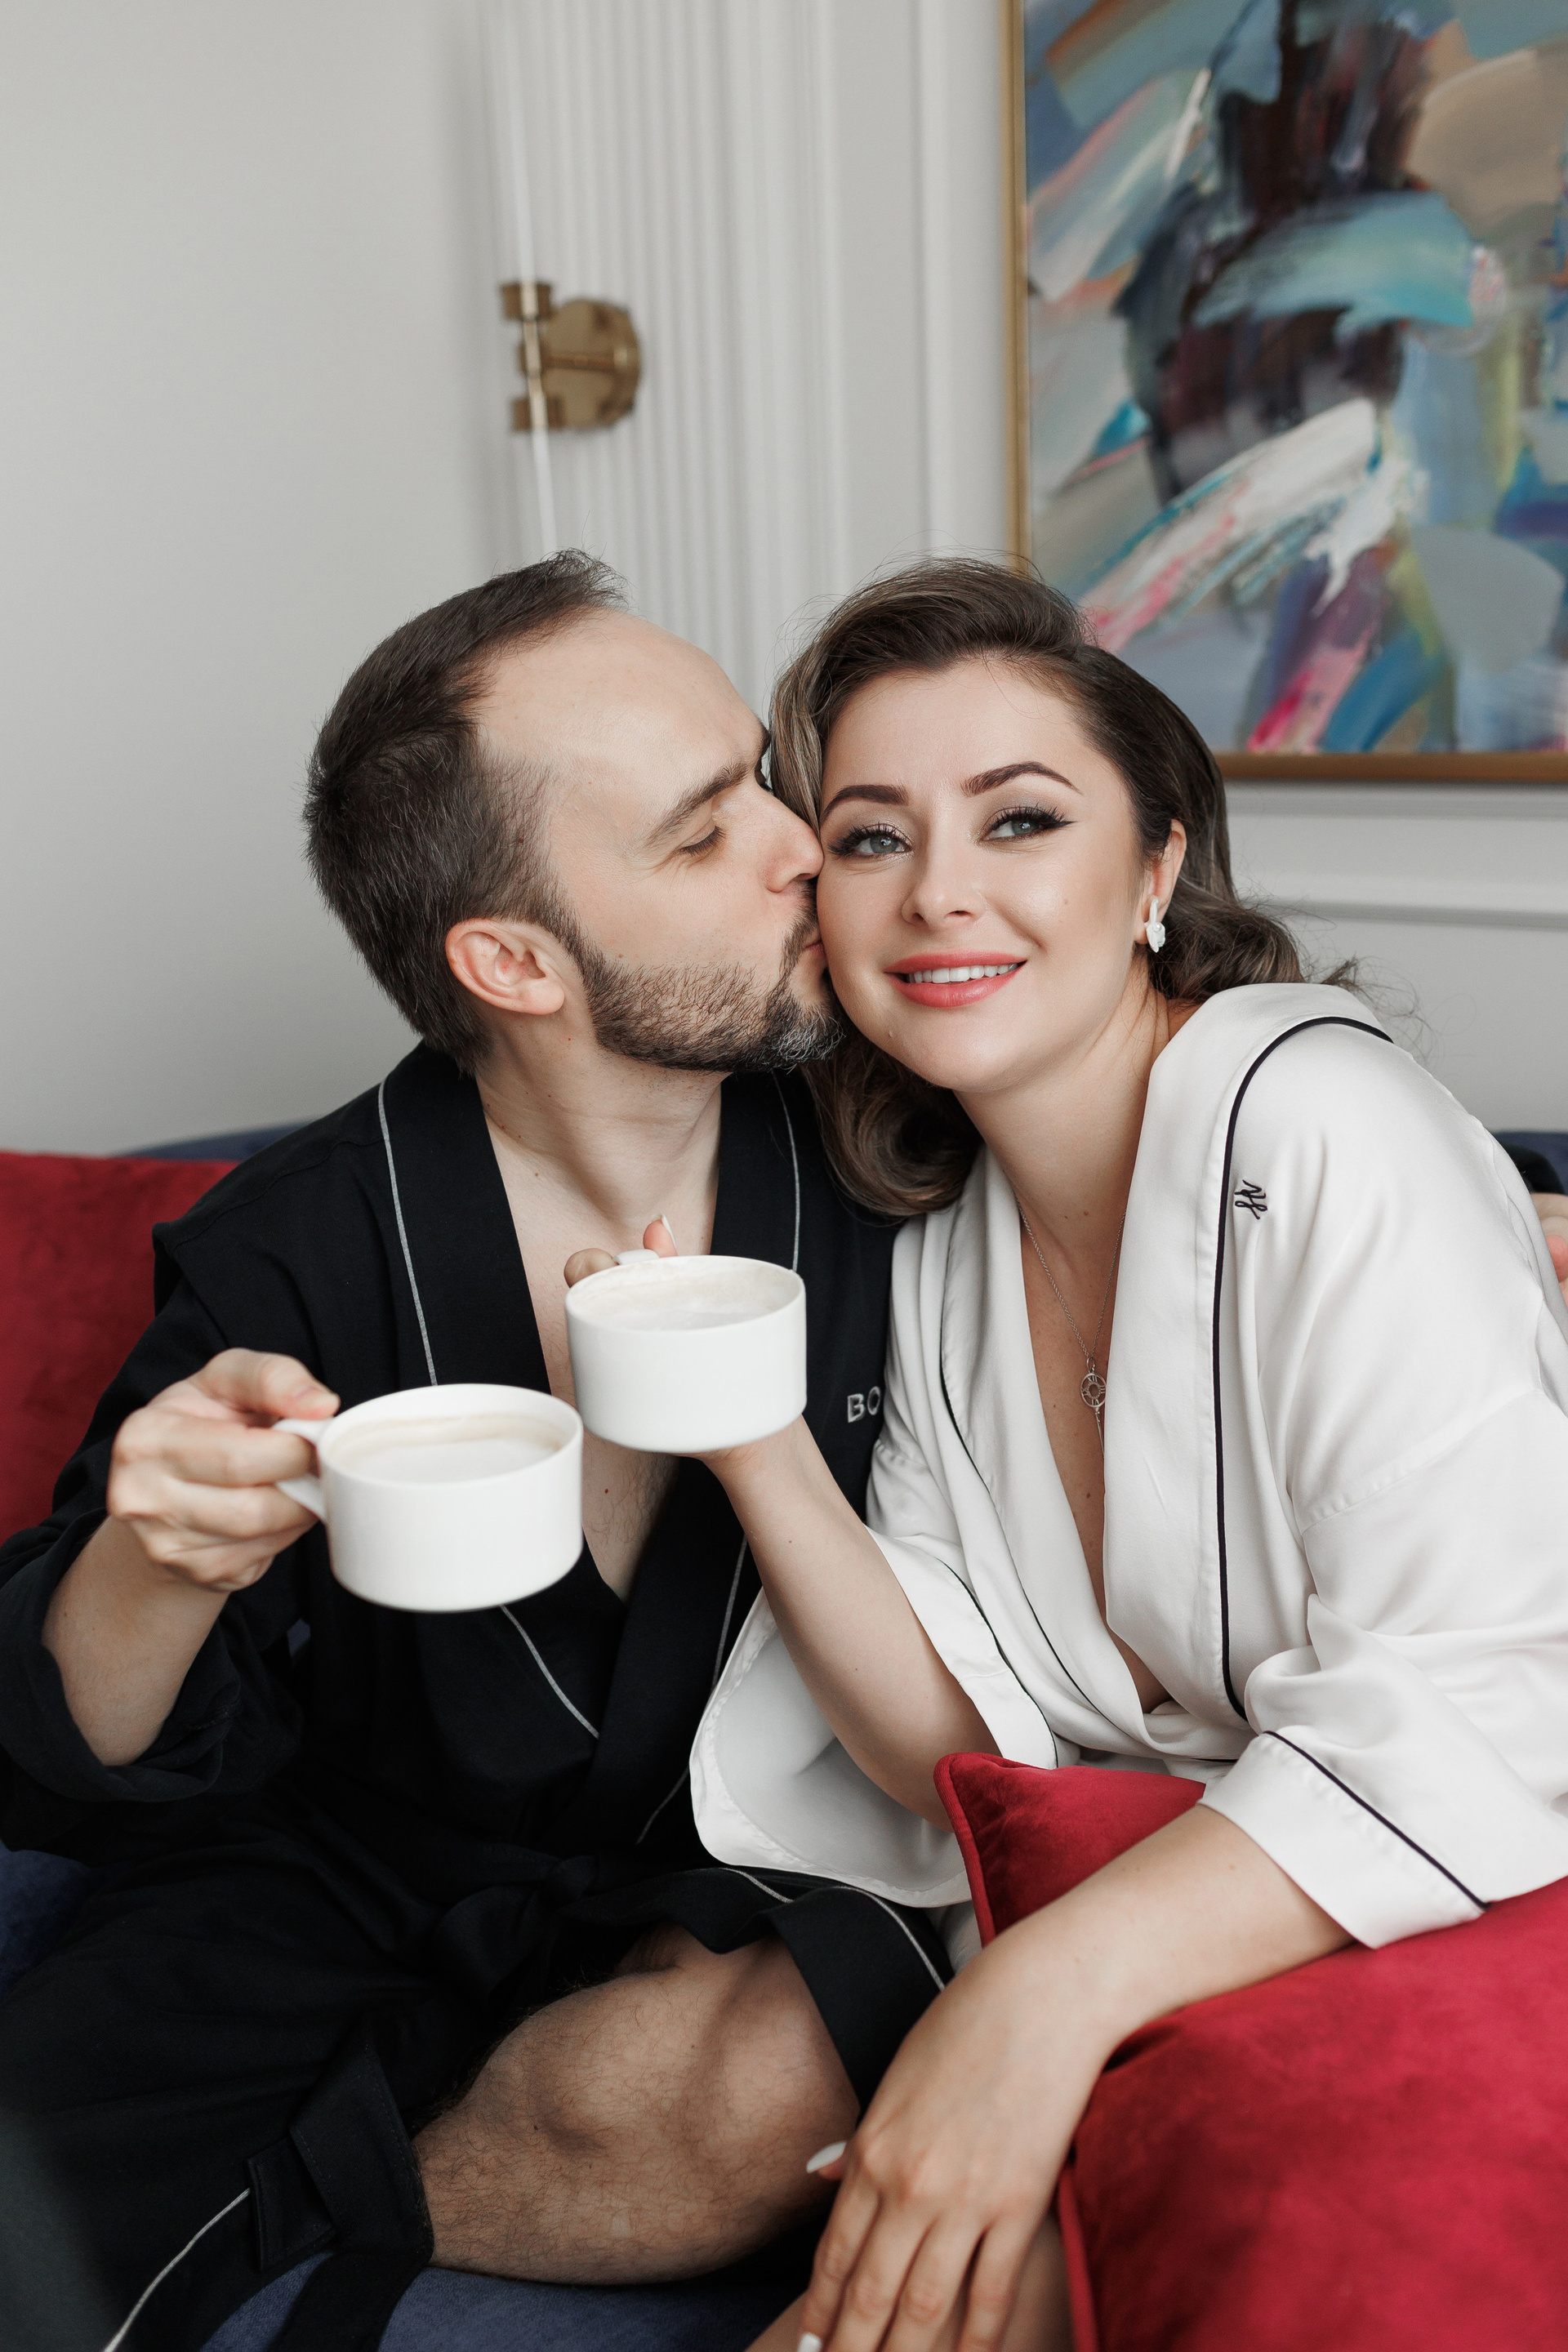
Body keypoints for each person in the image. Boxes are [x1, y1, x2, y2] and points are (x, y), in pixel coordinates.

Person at [0, 557, 958, 2352]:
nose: (804, 845)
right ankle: (400, 2156)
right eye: (705, 834)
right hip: (343, 1881)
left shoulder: (900, 1156)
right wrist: (158, 1555)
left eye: (766, 777)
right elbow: (73, 1754)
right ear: (513, 961)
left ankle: (330, 2181)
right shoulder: (298, 1240)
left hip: (747, 1869)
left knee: (781, 2080)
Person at [614, 560, 1568, 2352]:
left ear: (1154, 873)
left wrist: (1034, 2002)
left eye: (1021, 819)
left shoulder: (1331, 1129)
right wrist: (750, 1442)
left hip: (1488, 1876)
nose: (938, 890)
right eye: (873, 837)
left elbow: (1491, 1691)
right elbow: (954, 1741)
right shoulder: (943, 1254)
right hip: (1231, 1918)